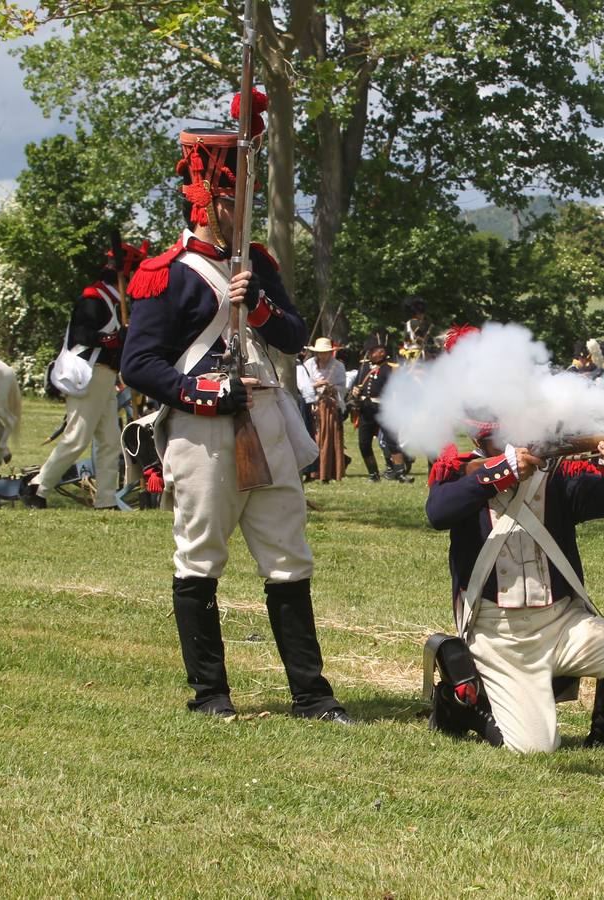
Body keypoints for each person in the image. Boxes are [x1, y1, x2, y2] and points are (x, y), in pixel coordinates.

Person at [121, 96, 350, 723]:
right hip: (204, 433)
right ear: (207, 203)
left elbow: (292, 336)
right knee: (200, 558)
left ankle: (312, 695)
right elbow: (140, 363)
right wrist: (204, 394)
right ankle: (210, 695)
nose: (242, 210)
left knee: (289, 559)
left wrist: (260, 308)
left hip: (267, 423)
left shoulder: (259, 265)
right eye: (233, 200)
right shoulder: (165, 274)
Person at [425, 325, 604, 755]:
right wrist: (500, 473)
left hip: (561, 620)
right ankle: (462, 699)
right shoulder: (462, 472)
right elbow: (438, 512)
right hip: (498, 633)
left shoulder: (558, 472)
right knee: (534, 749)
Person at [27, 241, 146, 509]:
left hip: (106, 378)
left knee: (110, 442)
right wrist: (114, 338)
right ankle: (37, 487)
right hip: (89, 374)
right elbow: (82, 335)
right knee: (77, 438)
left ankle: (106, 499)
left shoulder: (115, 299)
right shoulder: (94, 297)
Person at [350, 333, 410, 482]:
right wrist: (355, 391)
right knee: (364, 443)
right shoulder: (364, 367)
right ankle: (373, 474)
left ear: (382, 352)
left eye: (373, 351)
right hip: (365, 410)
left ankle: (400, 472)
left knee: (392, 441)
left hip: (383, 409)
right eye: (371, 351)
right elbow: (355, 386)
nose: (370, 353)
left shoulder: (389, 369)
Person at [298, 336, 347, 482]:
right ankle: (311, 472)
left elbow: (343, 388)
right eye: (320, 352)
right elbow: (303, 385)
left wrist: (331, 388)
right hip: (312, 405)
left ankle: (328, 472)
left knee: (329, 439)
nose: (322, 355)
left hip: (330, 407)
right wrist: (316, 385)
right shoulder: (308, 364)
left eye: (325, 352)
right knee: (313, 437)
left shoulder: (338, 366)